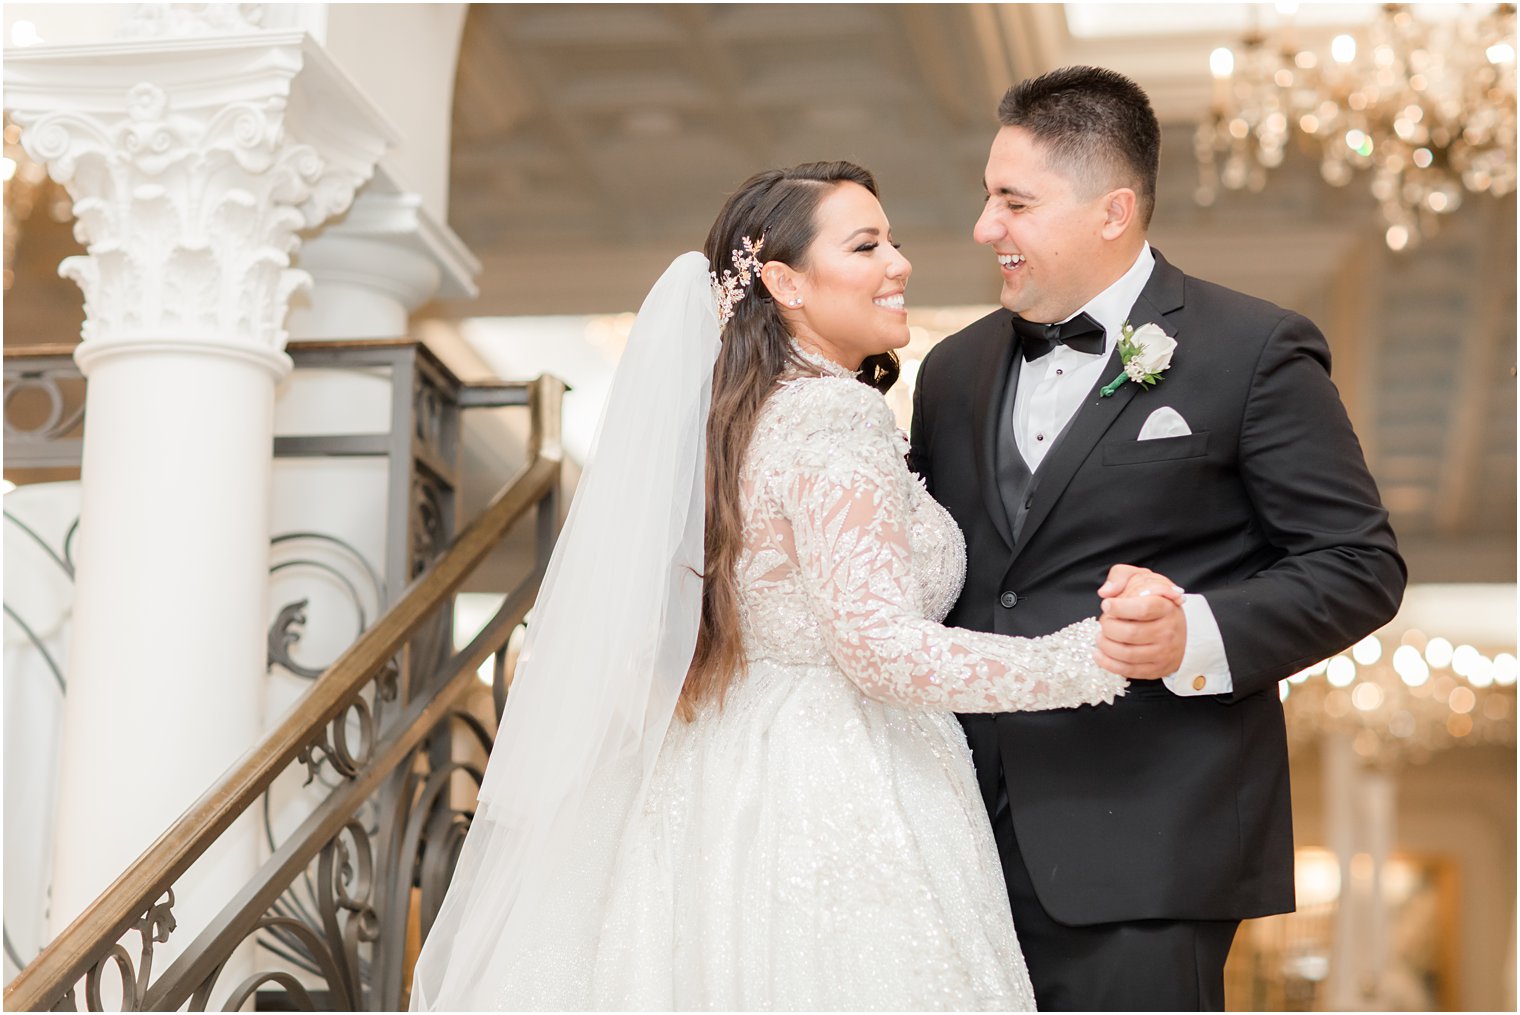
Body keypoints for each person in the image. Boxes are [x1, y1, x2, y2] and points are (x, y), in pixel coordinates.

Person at [409, 161, 1178, 1011]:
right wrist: (1087, 659)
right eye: (866, 244)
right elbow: (879, 648)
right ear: (784, 281)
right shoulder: (831, 420)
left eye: (891, 240)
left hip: (725, 773)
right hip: (835, 788)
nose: (900, 263)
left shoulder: (745, 421)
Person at [909, 66, 1406, 1011]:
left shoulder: (1252, 350)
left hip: (1150, 844)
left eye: (1013, 201)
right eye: (987, 197)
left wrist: (1197, 636)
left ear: (1113, 210)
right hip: (956, 840)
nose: (985, 227)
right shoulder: (953, 369)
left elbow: (1360, 565)